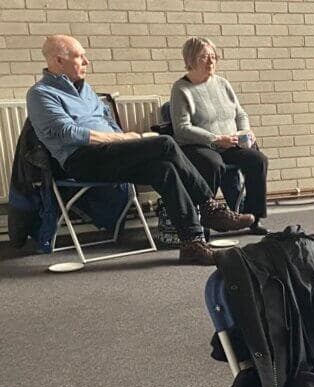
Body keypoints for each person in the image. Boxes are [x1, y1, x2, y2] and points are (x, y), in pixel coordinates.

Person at [25, 35, 253, 266]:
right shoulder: (41, 94)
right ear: (58, 61)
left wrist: (121, 139)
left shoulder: (86, 90)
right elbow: (67, 132)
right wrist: (123, 139)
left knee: (163, 169)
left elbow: (108, 121)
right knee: (164, 143)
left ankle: (192, 243)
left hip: (110, 153)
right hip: (80, 160)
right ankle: (209, 206)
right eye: (79, 57)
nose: (86, 62)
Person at [170, 37, 269, 234]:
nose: (211, 61)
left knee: (258, 160)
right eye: (204, 57)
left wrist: (244, 131)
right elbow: (182, 128)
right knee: (213, 164)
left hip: (230, 142)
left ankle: (252, 217)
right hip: (200, 145)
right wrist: (214, 139)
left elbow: (240, 113)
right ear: (190, 60)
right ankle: (208, 218)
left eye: (213, 57)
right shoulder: (181, 89)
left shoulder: (222, 83)